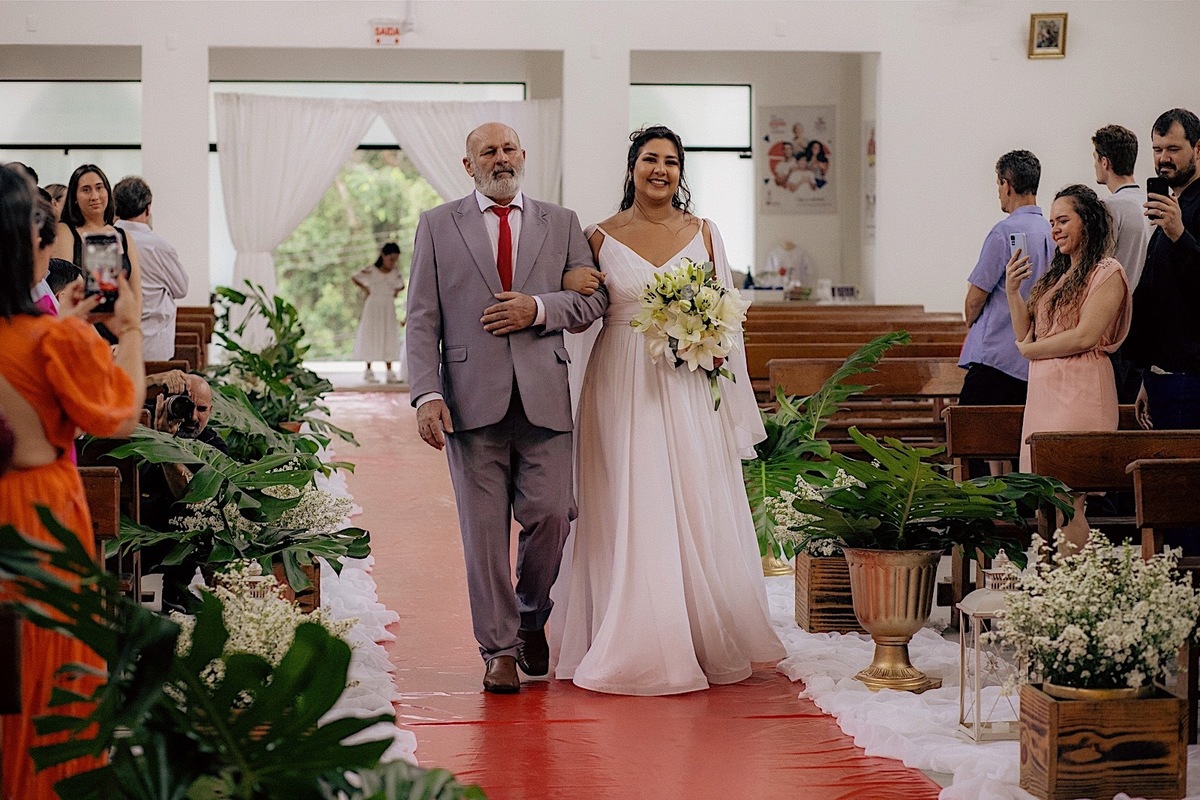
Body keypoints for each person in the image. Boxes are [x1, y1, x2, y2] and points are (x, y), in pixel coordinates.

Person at [554, 126, 785, 696]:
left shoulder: (705, 234)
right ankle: (627, 628)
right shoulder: (599, 236)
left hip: (685, 382)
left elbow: (727, 316)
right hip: (619, 380)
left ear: (681, 173)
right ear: (632, 166)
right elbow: (580, 302)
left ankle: (696, 632)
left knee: (688, 495)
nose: (661, 169)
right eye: (650, 159)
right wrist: (567, 278)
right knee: (627, 496)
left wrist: (709, 349)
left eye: (672, 162)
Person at [405, 122, 608, 693]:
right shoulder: (437, 225)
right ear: (468, 165)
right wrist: (426, 394)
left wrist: (539, 308)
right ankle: (497, 648)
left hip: (546, 397)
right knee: (484, 534)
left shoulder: (562, 223)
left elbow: (594, 298)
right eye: (487, 151)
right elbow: (421, 318)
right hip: (471, 403)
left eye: (509, 148)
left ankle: (531, 615)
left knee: (553, 515)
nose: (501, 158)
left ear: (524, 155)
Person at [0, 165, 145, 798]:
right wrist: (130, 330)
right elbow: (116, 415)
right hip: (39, 518)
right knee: (47, 675)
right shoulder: (51, 340)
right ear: (26, 242)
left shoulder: (49, 333)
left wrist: (70, 324)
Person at [1006, 185, 1131, 548]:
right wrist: (1013, 292)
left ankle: (1071, 588)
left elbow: (1085, 337)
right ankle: (1058, 585)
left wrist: (1030, 351)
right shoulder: (1058, 275)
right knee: (1051, 500)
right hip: (1046, 395)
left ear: (1087, 223)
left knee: (1070, 499)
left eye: (1063, 220)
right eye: (1052, 222)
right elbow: (1026, 333)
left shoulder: (1107, 271)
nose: (1055, 229)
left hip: (1080, 391)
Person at [958, 151, 1055, 448]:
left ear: (1007, 184)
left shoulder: (1004, 231)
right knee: (1017, 448)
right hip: (1036, 357)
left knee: (970, 440)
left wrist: (972, 324)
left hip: (997, 357)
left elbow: (975, 300)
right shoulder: (1054, 230)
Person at [1125, 108, 1200, 431]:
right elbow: (1160, 295)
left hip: (1191, 377)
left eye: (1173, 149)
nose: (1163, 158)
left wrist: (1179, 235)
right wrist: (1148, 375)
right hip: (1163, 376)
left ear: (1198, 148)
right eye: (1157, 150)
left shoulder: (1183, 216)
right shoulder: (1170, 210)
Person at [1092, 124, 1151, 403]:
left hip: (1118, 322)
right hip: (1150, 321)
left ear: (1105, 162)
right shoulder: (1156, 202)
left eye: (1095, 158)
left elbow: (1099, 265)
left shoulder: (1110, 207)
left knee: (1115, 407)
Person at [50, 164, 143, 341]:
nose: (95, 196)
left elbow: (136, 292)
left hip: (119, 332)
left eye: (99, 188)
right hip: (83, 334)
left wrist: (129, 332)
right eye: (86, 190)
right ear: (75, 197)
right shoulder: (66, 232)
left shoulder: (123, 236)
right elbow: (63, 290)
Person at [115, 175, 189, 360]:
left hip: (115, 339)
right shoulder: (159, 246)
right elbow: (181, 289)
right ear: (148, 209)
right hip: (153, 343)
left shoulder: (105, 240)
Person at [353, 242, 406, 384]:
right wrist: (366, 289)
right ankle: (368, 370)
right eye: (391, 259)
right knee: (371, 335)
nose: (393, 262)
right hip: (373, 306)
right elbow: (355, 277)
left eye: (395, 260)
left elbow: (401, 285)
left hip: (388, 306)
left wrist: (394, 292)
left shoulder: (395, 273)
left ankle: (389, 370)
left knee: (388, 334)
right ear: (383, 256)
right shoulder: (371, 270)